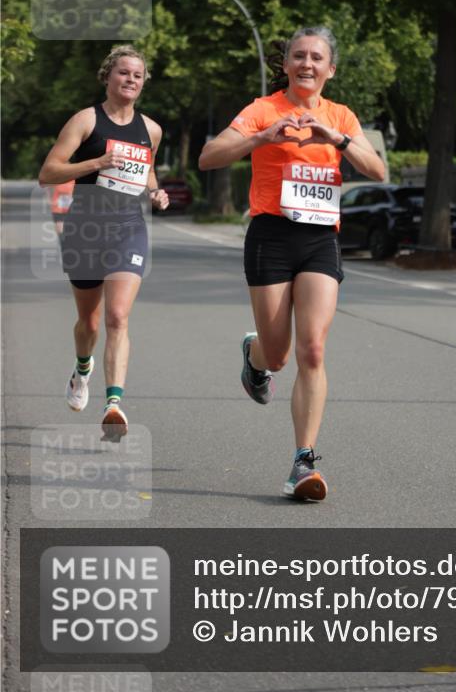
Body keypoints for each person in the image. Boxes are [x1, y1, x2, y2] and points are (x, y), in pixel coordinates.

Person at [199, 27, 385, 499]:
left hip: (321, 238)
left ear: (330, 69)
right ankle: (255, 356)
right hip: (272, 235)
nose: (307, 63)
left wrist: (338, 139)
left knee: (313, 350)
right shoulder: (263, 109)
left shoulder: (341, 115)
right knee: (278, 354)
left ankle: (303, 462)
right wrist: (261, 136)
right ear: (285, 65)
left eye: (316, 57)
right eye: (298, 56)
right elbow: (209, 156)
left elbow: (378, 169)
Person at [38, 46, 169, 440]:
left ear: (143, 83)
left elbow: (146, 172)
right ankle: (82, 369)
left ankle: (113, 403)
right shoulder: (85, 120)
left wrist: (156, 193)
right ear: (108, 77)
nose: (130, 80)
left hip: (128, 227)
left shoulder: (152, 129)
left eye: (138, 75)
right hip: (85, 228)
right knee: (89, 321)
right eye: (124, 73)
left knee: (117, 317)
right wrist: (96, 163)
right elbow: (49, 172)